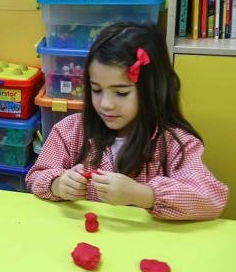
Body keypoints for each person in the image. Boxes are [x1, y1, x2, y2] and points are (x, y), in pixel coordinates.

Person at [26, 23, 228, 220]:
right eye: (96, 90)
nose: (106, 104)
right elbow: (35, 176)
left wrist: (144, 195)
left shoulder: (176, 142)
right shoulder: (70, 130)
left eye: (121, 93)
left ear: (152, 90)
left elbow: (211, 199)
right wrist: (58, 184)